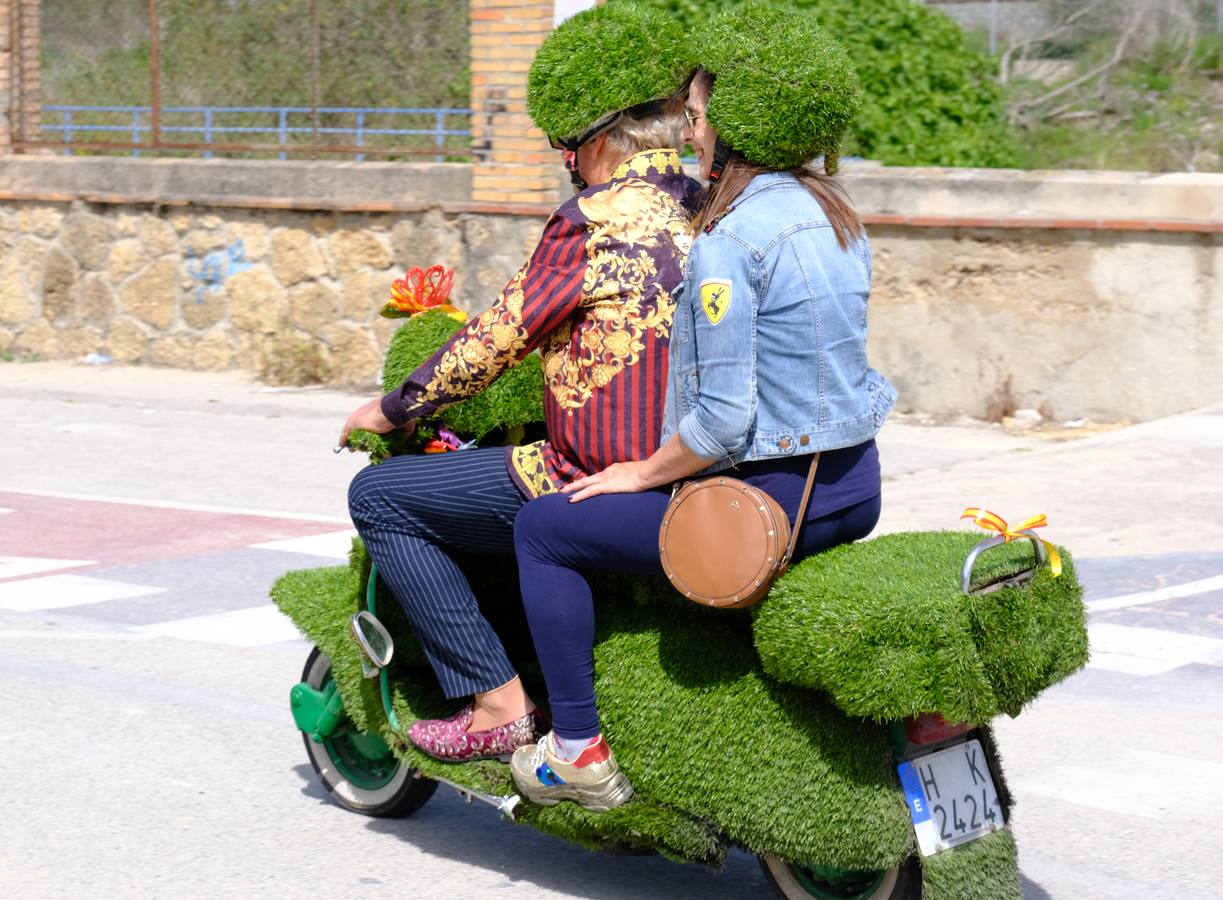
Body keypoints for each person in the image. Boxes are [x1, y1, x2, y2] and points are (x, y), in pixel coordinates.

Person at [508, 0, 897, 811]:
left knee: (545, 526)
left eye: (696, 114)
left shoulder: (731, 241)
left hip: (767, 505)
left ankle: (575, 750)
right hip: (852, 487)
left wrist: (635, 471)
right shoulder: (835, 217)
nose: (689, 134)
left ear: (740, 118)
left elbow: (721, 420)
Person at [339, 3, 701, 762]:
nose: (567, 165)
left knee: (379, 499)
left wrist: (395, 407)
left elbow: (497, 338)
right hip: (698, 467)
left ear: (600, 143)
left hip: (593, 475)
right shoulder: (710, 203)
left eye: (567, 150)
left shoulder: (595, 218)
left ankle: (495, 702)